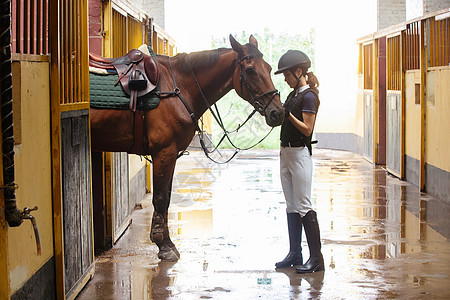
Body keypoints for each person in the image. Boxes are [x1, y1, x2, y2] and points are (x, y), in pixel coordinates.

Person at [274, 50, 324, 274]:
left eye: (287, 74)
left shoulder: (309, 96)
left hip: (300, 154)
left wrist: (288, 116)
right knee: (291, 205)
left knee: (304, 204)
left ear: (299, 71)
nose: (285, 78)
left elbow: (307, 128)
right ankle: (295, 253)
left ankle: (317, 258)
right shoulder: (293, 94)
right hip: (285, 153)